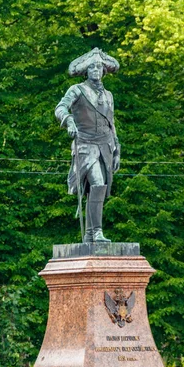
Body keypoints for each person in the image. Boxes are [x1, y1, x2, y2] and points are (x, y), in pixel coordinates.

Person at [55, 48, 121, 243]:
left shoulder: (108, 95)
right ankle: (97, 231)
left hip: (106, 145)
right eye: (92, 67)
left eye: (99, 67)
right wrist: (68, 121)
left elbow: (112, 122)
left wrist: (117, 149)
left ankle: (91, 234)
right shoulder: (77, 89)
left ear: (104, 71)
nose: (96, 70)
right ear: (86, 71)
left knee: (98, 189)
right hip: (85, 144)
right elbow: (60, 107)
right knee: (98, 182)